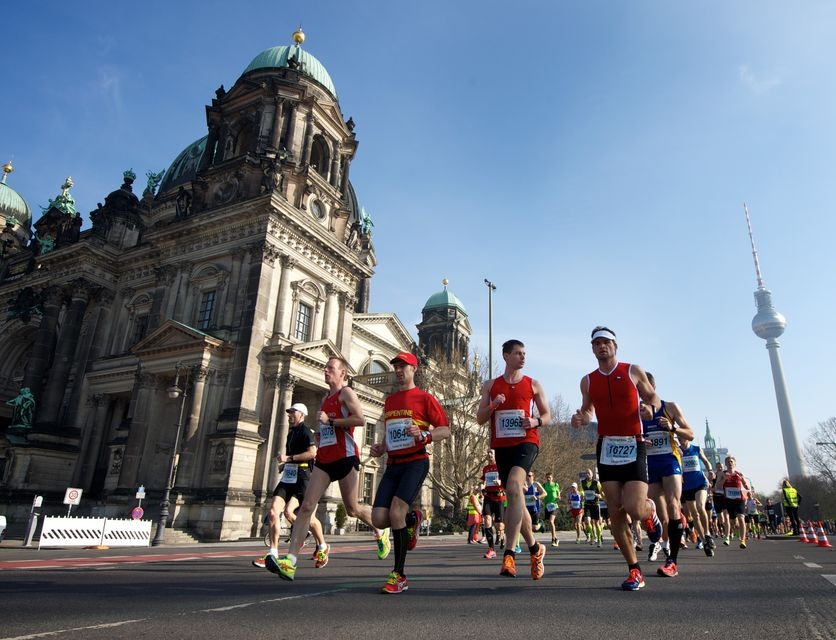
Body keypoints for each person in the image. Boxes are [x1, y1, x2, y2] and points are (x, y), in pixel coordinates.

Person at [270, 356, 389, 580]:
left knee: (352, 509)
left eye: (330, 368)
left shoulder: (346, 393)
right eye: (325, 367)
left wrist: (330, 422)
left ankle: (380, 529)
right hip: (325, 459)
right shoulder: (325, 398)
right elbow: (328, 427)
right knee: (306, 507)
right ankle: (290, 561)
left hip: (345, 457)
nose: (326, 370)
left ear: (342, 373)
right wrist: (321, 434)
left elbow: (360, 420)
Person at [571, 326, 663, 591]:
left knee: (634, 507)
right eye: (597, 343)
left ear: (615, 345)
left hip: (634, 443)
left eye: (606, 342)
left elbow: (653, 397)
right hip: (607, 447)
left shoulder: (633, 370)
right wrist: (582, 419)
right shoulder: (587, 381)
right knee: (615, 512)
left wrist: (650, 409)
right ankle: (635, 570)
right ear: (592, 348)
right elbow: (588, 410)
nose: (602, 346)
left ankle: (649, 511)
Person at [370, 351, 450, 594]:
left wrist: (425, 435)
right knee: (378, 519)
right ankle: (413, 519)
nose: (398, 371)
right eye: (395, 367)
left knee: (396, 512)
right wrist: (382, 447)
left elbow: (445, 430)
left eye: (403, 366)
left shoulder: (425, 398)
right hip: (393, 464)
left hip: (415, 462)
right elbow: (391, 434)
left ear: (414, 369)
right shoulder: (390, 401)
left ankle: (399, 575)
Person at [476, 339, 550, 580]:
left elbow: (547, 415)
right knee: (515, 495)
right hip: (502, 446)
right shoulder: (491, 385)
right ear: (506, 356)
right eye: (518, 353)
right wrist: (493, 405)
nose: (523, 357)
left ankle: (509, 554)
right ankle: (535, 549)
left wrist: (535, 421)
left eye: (524, 353)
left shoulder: (533, 384)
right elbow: (479, 418)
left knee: (514, 486)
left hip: (526, 442)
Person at [253, 402, 328, 570]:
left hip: (303, 478)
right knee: (274, 511)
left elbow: (312, 453)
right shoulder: (291, 433)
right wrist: (285, 465)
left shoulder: (306, 431)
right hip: (288, 477)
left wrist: (289, 459)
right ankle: (273, 553)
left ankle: (322, 545)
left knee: (305, 517)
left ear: (301, 414)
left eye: (293, 412)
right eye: (289, 412)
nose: (289, 415)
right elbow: (292, 456)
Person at [640, 372, 695, 578]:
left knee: (673, 505)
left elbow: (690, 433)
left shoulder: (670, 407)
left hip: (670, 461)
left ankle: (672, 561)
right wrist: (640, 441)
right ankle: (661, 540)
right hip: (651, 464)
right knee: (661, 516)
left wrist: (672, 428)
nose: (640, 393)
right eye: (637, 390)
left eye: (643, 388)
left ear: (652, 387)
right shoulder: (636, 412)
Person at [678, 432, 715, 557]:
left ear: (687, 437)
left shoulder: (696, 449)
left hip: (700, 483)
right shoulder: (677, 450)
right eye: (678, 438)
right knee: (694, 515)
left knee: (700, 507)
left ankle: (707, 534)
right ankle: (704, 541)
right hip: (687, 487)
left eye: (682, 437)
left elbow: (706, 461)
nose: (680, 439)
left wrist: (710, 470)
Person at [480, 449, 506, 559]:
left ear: (496, 455)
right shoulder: (485, 468)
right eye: (488, 453)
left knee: (498, 525)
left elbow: (507, 481)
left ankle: (502, 535)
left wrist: (500, 482)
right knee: (487, 520)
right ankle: (491, 549)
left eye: (491, 452)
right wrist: (481, 487)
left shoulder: (501, 467)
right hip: (488, 497)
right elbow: (482, 481)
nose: (489, 454)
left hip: (499, 497)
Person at [722, 456, 751, 548]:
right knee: (733, 521)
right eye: (728, 461)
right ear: (725, 464)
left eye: (731, 461)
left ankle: (742, 540)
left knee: (741, 518)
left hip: (739, 500)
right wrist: (724, 479)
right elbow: (718, 485)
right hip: (728, 500)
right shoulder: (723, 474)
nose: (730, 463)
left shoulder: (739, 474)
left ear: (735, 463)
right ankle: (732, 531)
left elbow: (746, 486)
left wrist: (744, 483)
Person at [580, 468, 604, 547]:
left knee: (596, 523)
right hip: (587, 504)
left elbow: (602, 494)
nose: (587, 474)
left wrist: (598, 495)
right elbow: (581, 491)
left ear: (592, 474)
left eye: (589, 473)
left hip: (595, 504)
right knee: (587, 521)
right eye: (586, 473)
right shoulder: (582, 482)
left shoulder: (596, 482)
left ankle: (599, 540)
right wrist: (582, 495)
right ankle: (593, 536)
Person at [524, 471, 547, 535]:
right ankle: (532, 540)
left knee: (535, 528)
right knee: (527, 526)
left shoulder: (536, 484)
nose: (528, 477)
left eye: (529, 476)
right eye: (527, 475)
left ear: (533, 477)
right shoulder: (523, 485)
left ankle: (541, 524)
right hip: (526, 509)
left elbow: (545, 493)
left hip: (535, 509)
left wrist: (537, 497)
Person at [542, 472, 562, 547]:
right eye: (547, 477)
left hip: (554, 506)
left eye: (549, 477)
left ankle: (553, 539)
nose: (548, 479)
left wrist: (559, 497)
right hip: (547, 506)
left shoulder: (556, 485)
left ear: (552, 478)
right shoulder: (544, 485)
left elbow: (559, 494)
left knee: (551, 521)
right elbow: (542, 493)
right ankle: (556, 538)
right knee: (550, 523)